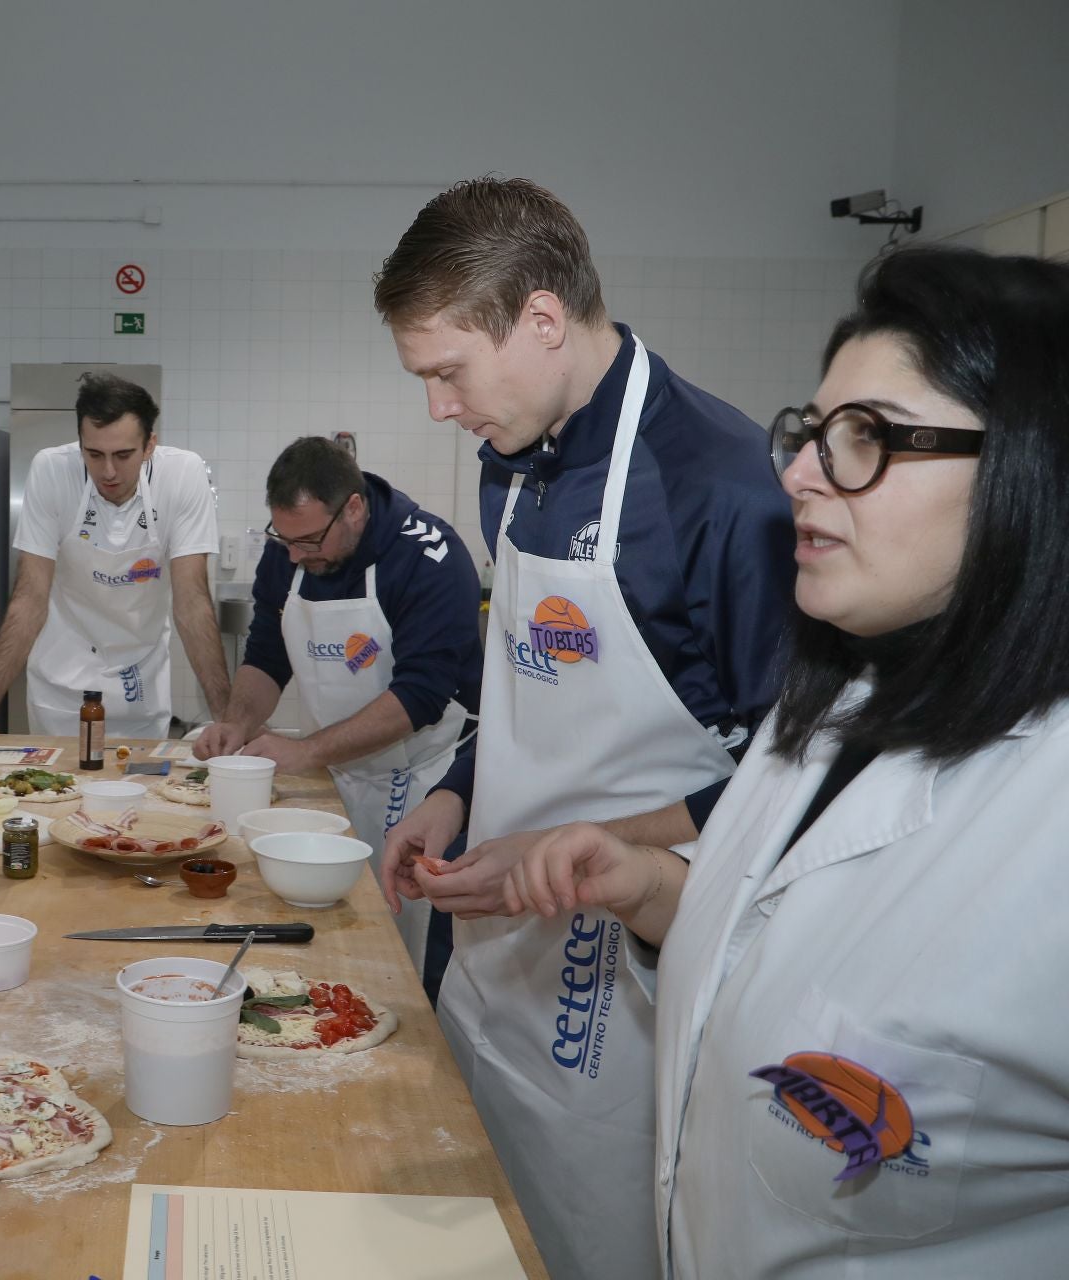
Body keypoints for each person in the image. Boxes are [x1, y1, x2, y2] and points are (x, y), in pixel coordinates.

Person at [505, 246, 1069, 1277]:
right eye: (811, 432)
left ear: (1032, 470)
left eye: (867, 438)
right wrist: (652, 892)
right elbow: (783, 953)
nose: (800, 471)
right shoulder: (829, 705)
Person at [371, 177, 794, 1279]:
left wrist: (584, 847)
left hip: (632, 1000)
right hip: (495, 963)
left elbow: (791, 779)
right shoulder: (508, 466)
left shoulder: (723, 487)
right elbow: (522, 684)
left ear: (542, 320)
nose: (438, 409)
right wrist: (457, 794)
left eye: (447, 373)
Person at [195, 437, 481, 970]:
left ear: (354, 507)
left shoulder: (427, 555)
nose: (297, 554)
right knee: (336, 939)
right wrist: (237, 722)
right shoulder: (289, 555)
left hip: (425, 784)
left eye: (309, 540)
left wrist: (306, 752)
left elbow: (420, 695)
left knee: (406, 949)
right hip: (337, 779)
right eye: (285, 539)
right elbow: (267, 652)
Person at [0, 372, 228, 744]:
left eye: (123, 455)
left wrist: (227, 721)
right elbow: (29, 598)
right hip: (62, 676)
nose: (108, 471)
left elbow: (192, 602)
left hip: (139, 678)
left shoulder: (183, 475)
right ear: (80, 443)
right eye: (94, 454)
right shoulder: (52, 470)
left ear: (150, 445)